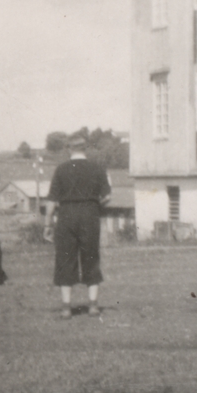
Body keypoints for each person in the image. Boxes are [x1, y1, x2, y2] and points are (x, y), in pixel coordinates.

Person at [48, 134, 111, 319]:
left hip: (66, 215)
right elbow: (107, 197)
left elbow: (52, 200)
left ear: (69, 149)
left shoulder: (61, 169)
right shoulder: (97, 169)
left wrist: (47, 224)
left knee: (65, 258)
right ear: (85, 149)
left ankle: (66, 308)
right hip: (89, 214)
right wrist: (94, 205)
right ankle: (92, 306)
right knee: (91, 257)